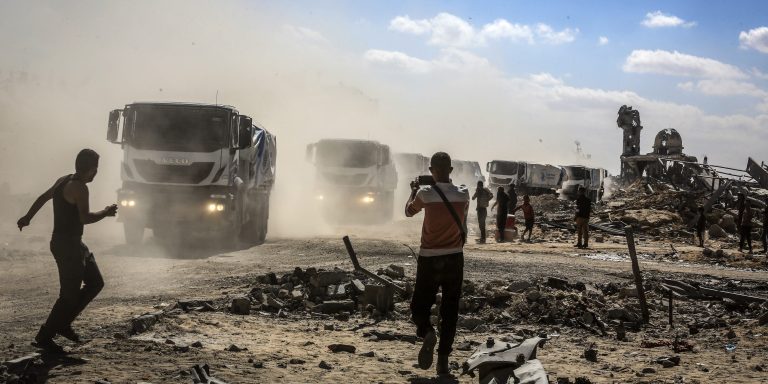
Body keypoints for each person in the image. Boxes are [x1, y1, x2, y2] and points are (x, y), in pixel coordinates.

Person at [17, 149, 117, 353]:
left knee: (95, 282)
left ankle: (63, 324)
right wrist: (106, 212)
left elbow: (43, 197)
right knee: (69, 295)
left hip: (73, 244)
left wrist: (28, 217)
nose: (96, 173)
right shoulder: (80, 188)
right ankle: (44, 336)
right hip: (67, 246)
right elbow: (85, 218)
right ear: (92, 169)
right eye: (96, 169)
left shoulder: (63, 180)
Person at [405, 152, 469, 376]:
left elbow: (408, 212)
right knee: (450, 311)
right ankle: (443, 362)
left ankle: (427, 332)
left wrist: (413, 190)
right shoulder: (463, 193)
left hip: (429, 258)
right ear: (451, 170)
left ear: (431, 170)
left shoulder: (425, 193)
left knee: (418, 307)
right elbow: (463, 219)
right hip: (455, 258)